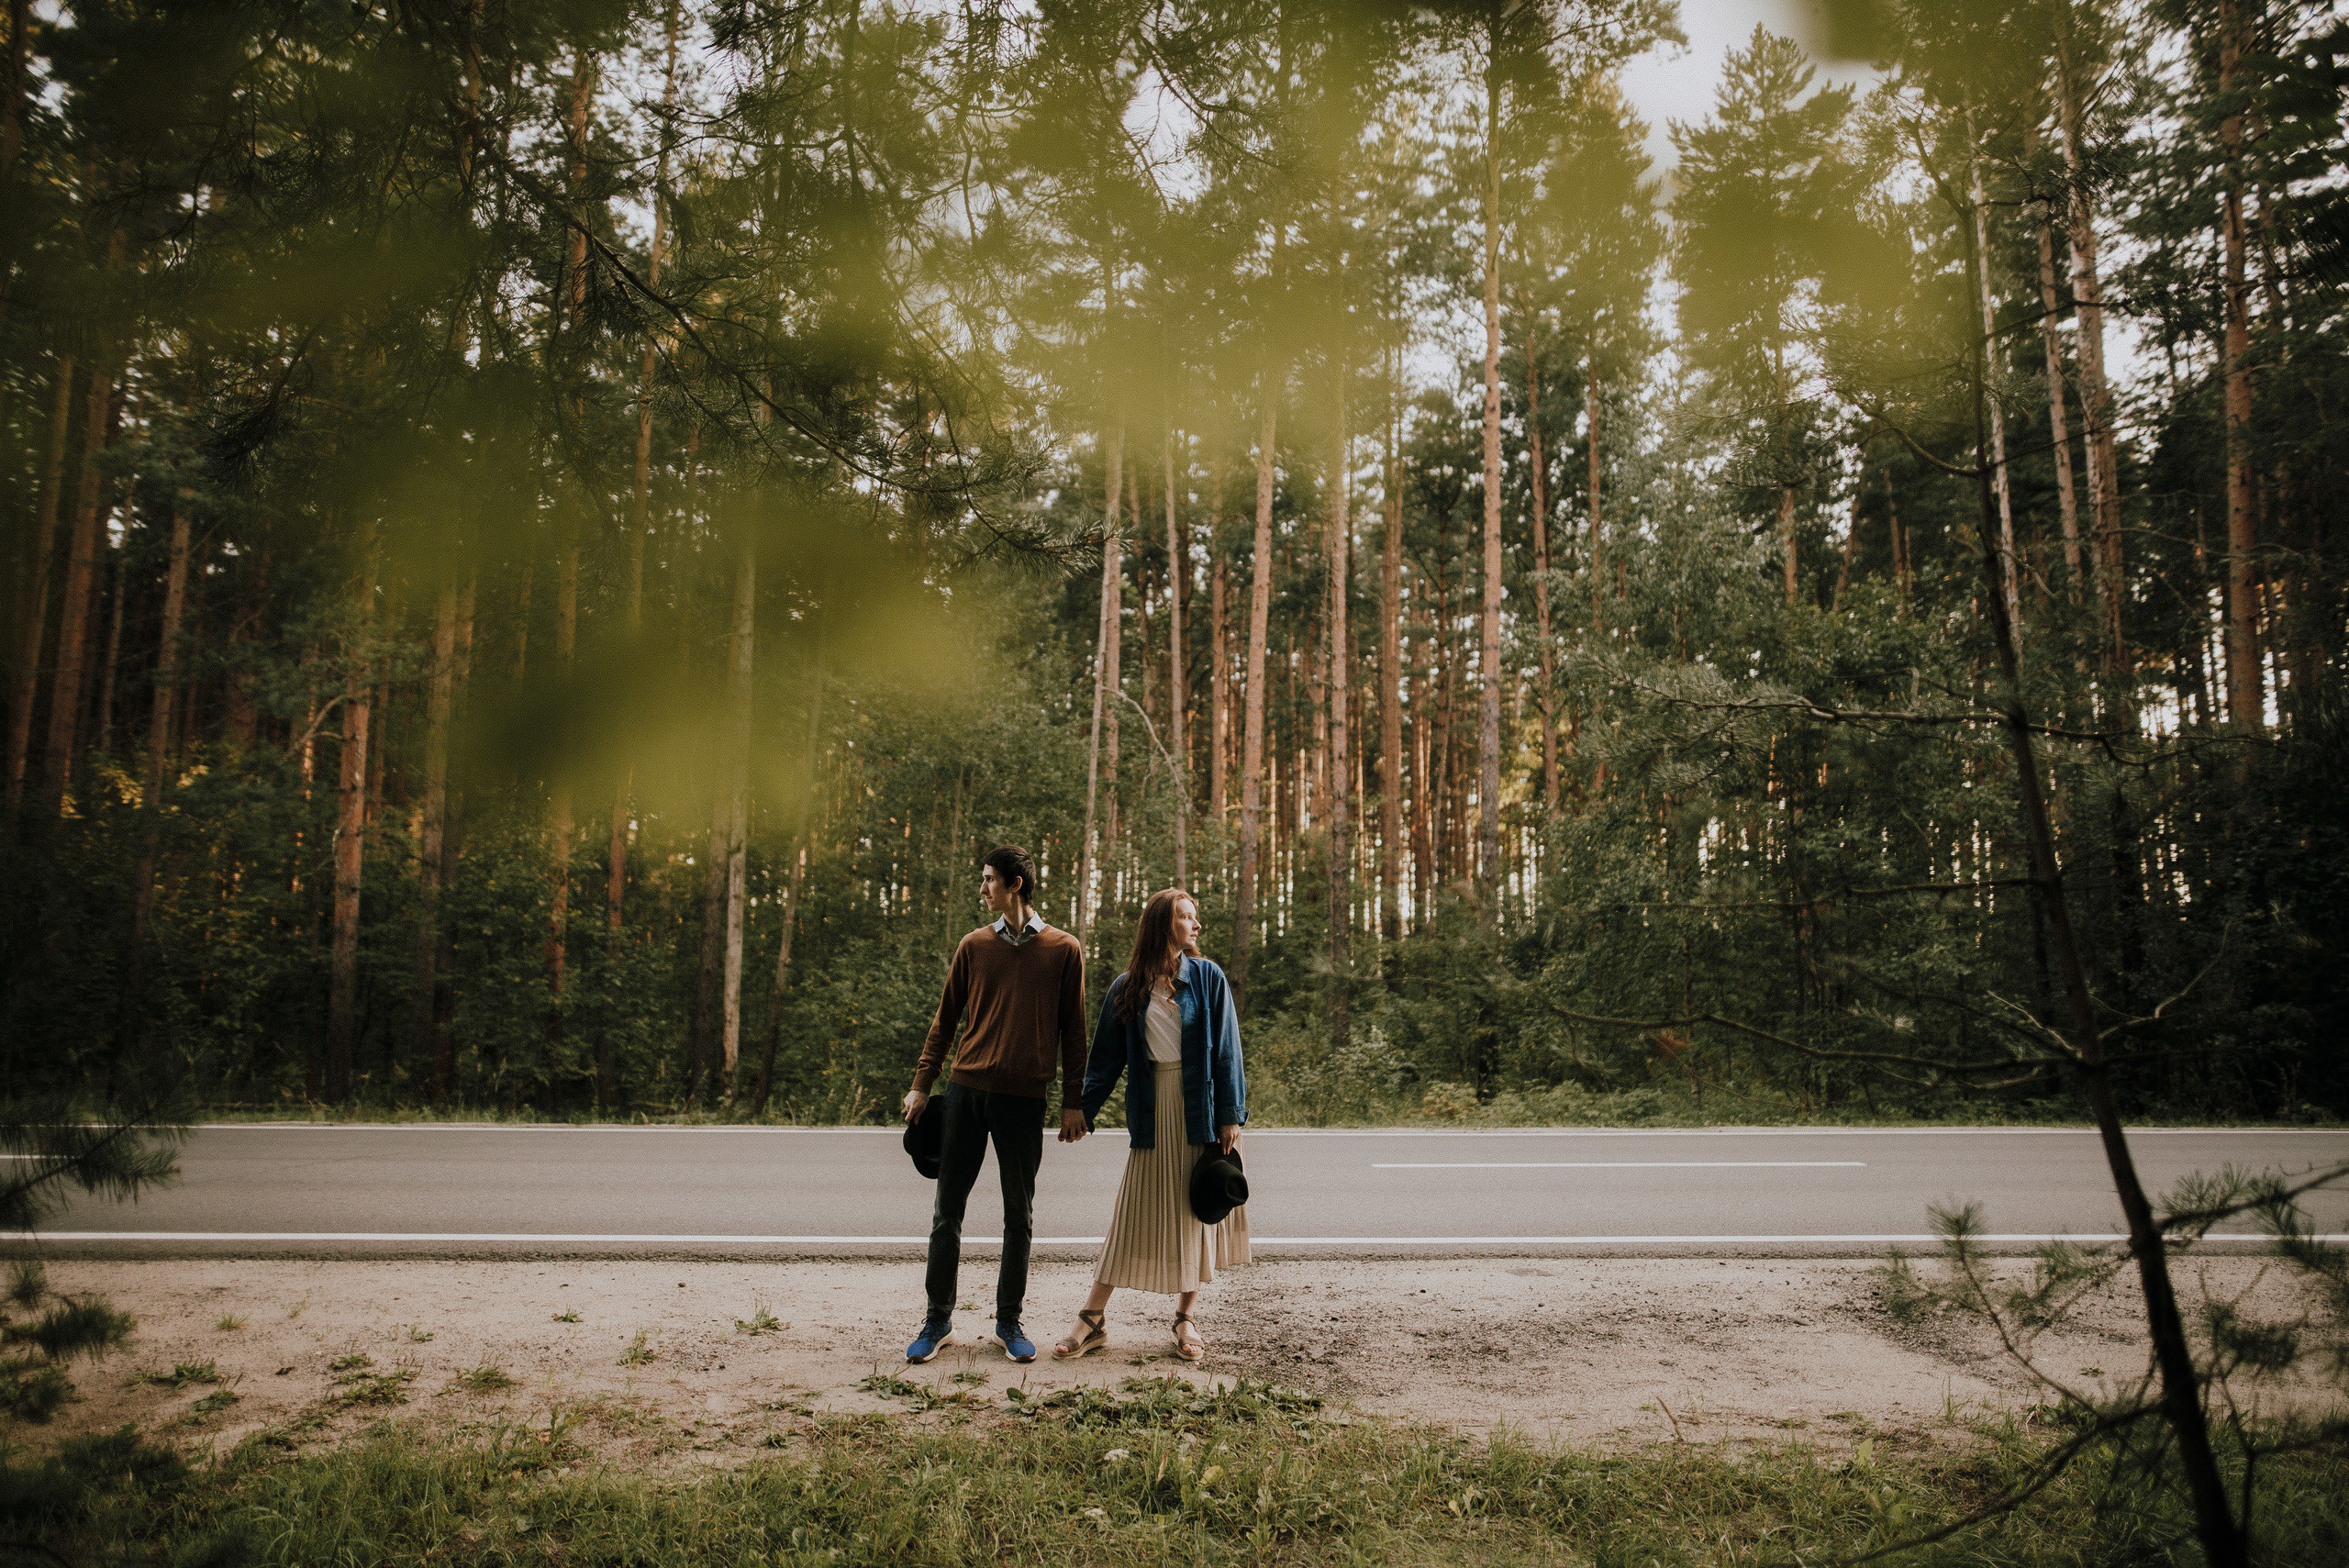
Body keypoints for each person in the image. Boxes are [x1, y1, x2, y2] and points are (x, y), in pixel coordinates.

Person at [900, 846, 1087, 1365]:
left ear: (1016, 885)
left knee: (1018, 1216)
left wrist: (1074, 1102)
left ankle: (1008, 1322)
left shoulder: (1064, 950)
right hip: (966, 1092)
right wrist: (922, 1083)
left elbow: (1074, 1032)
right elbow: (946, 1019)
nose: (982, 889)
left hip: (1024, 1101)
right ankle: (938, 1320)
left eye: (988, 880)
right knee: (947, 1214)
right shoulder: (973, 946)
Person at [1054, 887, 1248, 1363]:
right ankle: (1093, 1318)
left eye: (1195, 916)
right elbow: (1104, 1060)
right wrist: (1080, 1108)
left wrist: (1230, 1114)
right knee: (1133, 1213)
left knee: (1195, 1210)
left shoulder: (1207, 978)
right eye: (1186, 916)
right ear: (1164, 925)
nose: (1196, 925)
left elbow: (1228, 1051)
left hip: (1199, 1111)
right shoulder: (1127, 987)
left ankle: (1186, 1319)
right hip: (1151, 1111)